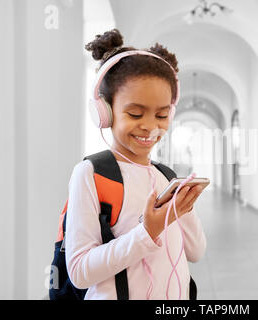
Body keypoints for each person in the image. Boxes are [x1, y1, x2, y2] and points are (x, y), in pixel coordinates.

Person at [65, 29, 207, 300]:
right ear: (104, 112)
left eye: (162, 115)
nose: (150, 126)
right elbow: (80, 272)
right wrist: (147, 232)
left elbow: (196, 252)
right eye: (135, 113)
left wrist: (183, 211)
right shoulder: (91, 174)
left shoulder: (166, 176)